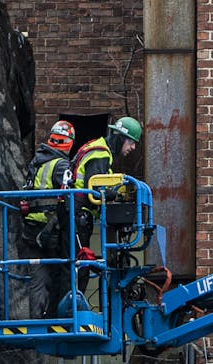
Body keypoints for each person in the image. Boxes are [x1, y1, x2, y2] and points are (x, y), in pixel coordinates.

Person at [72, 116, 142, 293]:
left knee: (80, 265)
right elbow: (93, 189)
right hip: (78, 216)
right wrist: (115, 192)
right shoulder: (100, 153)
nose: (133, 148)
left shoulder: (100, 151)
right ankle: (73, 311)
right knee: (81, 266)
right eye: (131, 142)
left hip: (76, 214)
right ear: (120, 138)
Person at [21, 120, 76, 318]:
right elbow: (68, 197)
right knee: (60, 273)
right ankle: (55, 318)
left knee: (37, 279)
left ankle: (38, 319)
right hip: (50, 230)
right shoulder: (61, 165)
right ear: (69, 143)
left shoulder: (36, 162)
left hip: (31, 229)